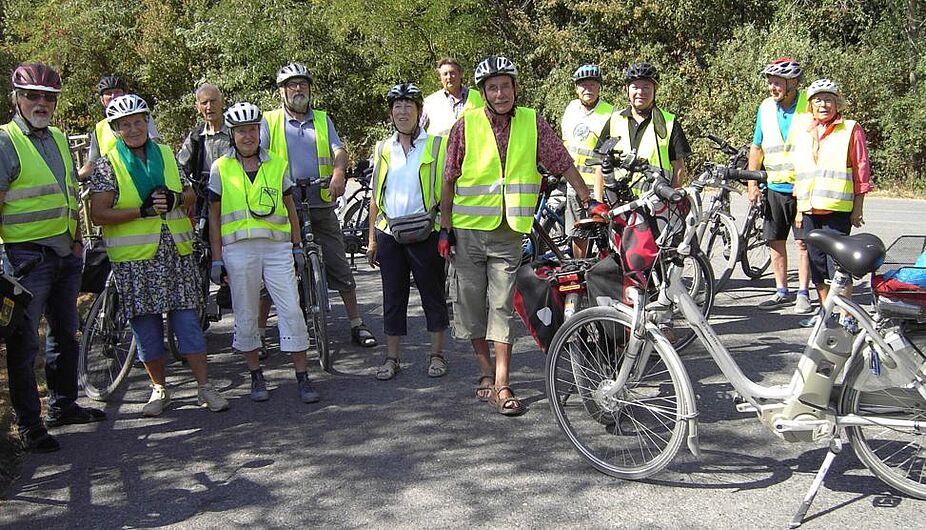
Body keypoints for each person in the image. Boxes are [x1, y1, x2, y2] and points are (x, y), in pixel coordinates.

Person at [440, 55, 605, 416]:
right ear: (483, 92)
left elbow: (562, 161)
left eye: (506, 86)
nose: (500, 93)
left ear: (515, 88)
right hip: (468, 231)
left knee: (502, 305)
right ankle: (485, 372)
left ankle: (501, 383)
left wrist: (586, 198)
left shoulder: (533, 123)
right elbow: (449, 178)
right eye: (492, 88)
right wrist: (445, 227)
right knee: (471, 306)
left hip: (510, 232)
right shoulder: (465, 125)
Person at [88, 94, 228, 416]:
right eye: (126, 125)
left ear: (147, 122)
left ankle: (204, 387)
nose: (134, 129)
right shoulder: (108, 164)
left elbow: (190, 193)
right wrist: (141, 211)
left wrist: (176, 199)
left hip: (175, 254)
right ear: (117, 129)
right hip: (135, 260)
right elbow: (98, 213)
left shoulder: (165, 154)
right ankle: (159, 389)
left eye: (138, 122)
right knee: (146, 327)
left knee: (187, 323)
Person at [0, 63, 105, 453]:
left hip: (64, 254)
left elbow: (67, 193)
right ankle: (30, 425)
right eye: (33, 96)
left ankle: (63, 406)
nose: (41, 103)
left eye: (49, 97)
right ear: (17, 99)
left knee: (65, 333)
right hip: (25, 259)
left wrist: (76, 241)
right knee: (24, 343)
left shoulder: (59, 137)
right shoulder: (6, 141)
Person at [208, 102, 319, 403]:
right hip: (238, 250)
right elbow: (214, 216)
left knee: (291, 309)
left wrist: (297, 246)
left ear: (259, 132)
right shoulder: (221, 168)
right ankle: (256, 375)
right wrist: (217, 258)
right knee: (245, 312)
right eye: (241, 131)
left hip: (277, 248)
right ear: (232, 135)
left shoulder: (276, 163)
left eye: (252, 130)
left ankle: (302, 375)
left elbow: (290, 208)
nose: (248, 136)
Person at [261, 62, 377, 348]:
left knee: (339, 263)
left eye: (303, 84)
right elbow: (258, 156)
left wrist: (338, 173)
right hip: (283, 207)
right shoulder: (269, 121)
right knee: (274, 270)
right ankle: (259, 333)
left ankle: (356, 323)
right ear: (282, 91)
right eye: (292, 85)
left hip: (321, 202)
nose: (298, 89)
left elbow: (339, 151)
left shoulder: (323, 119)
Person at [366, 83, 449, 381]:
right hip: (390, 232)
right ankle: (392, 358)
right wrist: (372, 238)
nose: (402, 112)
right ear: (391, 113)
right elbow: (375, 195)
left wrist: (446, 230)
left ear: (419, 111)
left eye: (408, 106)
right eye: (397, 107)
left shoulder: (437, 145)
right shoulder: (383, 148)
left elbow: (447, 191)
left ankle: (437, 355)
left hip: (426, 230)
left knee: (433, 295)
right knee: (393, 298)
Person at [791, 79, 873, 326]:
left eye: (829, 100)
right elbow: (801, 172)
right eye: (818, 100)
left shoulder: (850, 129)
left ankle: (847, 315)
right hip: (809, 209)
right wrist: (799, 209)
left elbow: (861, 170)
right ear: (810, 105)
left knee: (838, 265)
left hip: (836, 209)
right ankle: (825, 312)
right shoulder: (805, 131)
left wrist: (858, 207)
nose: (823, 105)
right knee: (817, 264)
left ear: (838, 104)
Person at [747, 58, 814, 314]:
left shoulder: (810, 103)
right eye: (770, 83)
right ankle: (781, 290)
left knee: (803, 243)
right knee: (774, 241)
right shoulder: (765, 107)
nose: (772, 88)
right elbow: (757, 147)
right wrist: (752, 183)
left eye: (777, 83)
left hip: (803, 187)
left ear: (793, 83)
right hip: (775, 186)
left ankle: (803, 292)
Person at [597, 62, 690, 188]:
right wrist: (599, 198)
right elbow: (601, 165)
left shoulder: (669, 122)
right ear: (627, 89)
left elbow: (679, 167)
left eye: (646, 87)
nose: (640, 92)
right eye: (635, 87)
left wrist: (673, 196)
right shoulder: (615, 120)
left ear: (655, 90)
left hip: (655, 198)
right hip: (618, 197)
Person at [561, 64, 612, 257]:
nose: (587, 89)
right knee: (578, 232)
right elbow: (566, 142)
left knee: (604, 233)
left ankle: (606, 268)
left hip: (600, 185)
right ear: (576, 88)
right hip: (575, 182)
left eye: (592, 84)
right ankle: (579, 267)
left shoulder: (610, 113)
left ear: (599, 87)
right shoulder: (571, 109)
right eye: (583, 85)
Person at [77, 74, 160, 180]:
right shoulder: (99, 129)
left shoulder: (142, 118)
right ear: (102, 100)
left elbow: (154, 146)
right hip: (114, 182)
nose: (113, 96)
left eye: (117, 92)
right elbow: (92, 163)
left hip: (146, 176)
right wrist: (76, 178)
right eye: (108, 93)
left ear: (125, 94)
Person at [421, 58, 484, 136]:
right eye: (445, 74)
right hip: (440, 144)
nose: (449, 77)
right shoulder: (429, 102)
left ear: (460, 74)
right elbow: (417, 129)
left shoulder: (480, 97)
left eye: (452, 73)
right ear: (440, 78)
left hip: (472, 144)